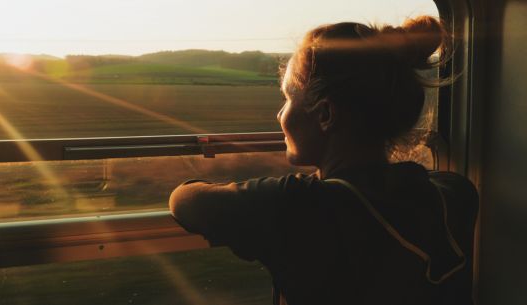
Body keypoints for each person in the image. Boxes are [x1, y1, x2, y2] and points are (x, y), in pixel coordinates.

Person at [168, 16, 478, 305]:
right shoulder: (455, 193)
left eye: (288, 98)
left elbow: (184, 201)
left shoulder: (298, 206)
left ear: (326, 115)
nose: (279, 114)